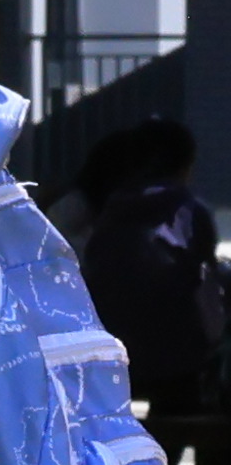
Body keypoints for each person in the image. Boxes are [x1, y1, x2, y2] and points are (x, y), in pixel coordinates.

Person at [69, 120, 222, 416]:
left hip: (110, 352)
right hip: (176, 359)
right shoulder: (190, 210)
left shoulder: (111, 208)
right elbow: (207, 287)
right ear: (186, 165)